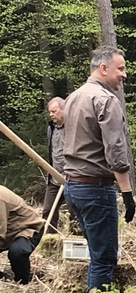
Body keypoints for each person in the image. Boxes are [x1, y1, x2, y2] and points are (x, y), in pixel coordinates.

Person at [62, 45, 136, 290]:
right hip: (95, 188)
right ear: (103, 68)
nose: (124, 75)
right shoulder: (105, 100)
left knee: (95, 253)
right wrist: (127, 193)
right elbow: (115, 151)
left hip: (72, 187)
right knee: (104, 258)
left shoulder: (73, 97)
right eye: (120, 69)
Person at [0, 186, 45, 284]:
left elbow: (0, 233)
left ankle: (22, 281)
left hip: (29, 228)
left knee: (17, 252)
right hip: (9, 231)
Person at [41, 97, 73, 232]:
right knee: (48, 211)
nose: (51, 114)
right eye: (50, 112)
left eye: (54, 111)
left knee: (76, 212)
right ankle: (50, 241)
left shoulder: (74, 127)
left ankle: (76, 241)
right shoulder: (51, 128)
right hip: (54, 177)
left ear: (63, 109)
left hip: (72, 178)